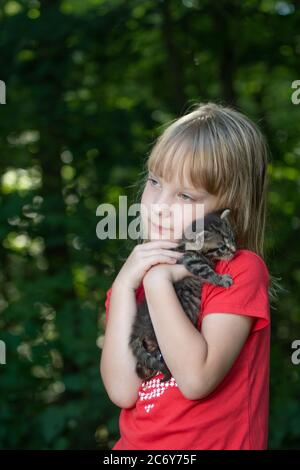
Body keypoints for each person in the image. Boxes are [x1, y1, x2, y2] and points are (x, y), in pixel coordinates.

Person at [100, 102, 271, 450]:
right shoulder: (132, 283)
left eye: (184, 195)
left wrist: (158, 282)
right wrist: (121, 288)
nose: (159, 205)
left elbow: (196, 379)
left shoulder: (239, 270)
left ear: (226, 211)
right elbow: (122, 390)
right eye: (154, 182)